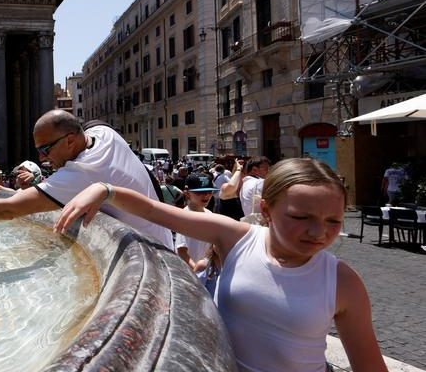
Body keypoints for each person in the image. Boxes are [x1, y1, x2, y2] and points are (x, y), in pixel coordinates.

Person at [54, 158, 387, 372]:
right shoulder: (237, 237)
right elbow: (156, 212)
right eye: (301, 218)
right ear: (267, 210)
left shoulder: (342, 281)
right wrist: (103, 189)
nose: (319, 232)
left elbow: (369, 366)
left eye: (333, 220)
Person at [0, 110, 172, 249]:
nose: (43, 158)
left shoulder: (79, 173)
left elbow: (10, 209)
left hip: (152, 252)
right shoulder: (105, 134)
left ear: (69, 140)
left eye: (45, 149)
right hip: (161, 237)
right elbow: (90, 125)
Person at [174, 174, 217, 271]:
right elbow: (181, 251)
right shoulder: (184, 216)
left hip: (206, 270)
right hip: (191, 272)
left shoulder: (209, 213)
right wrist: (196, 271)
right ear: (187, 193)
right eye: (199, 192)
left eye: (209, 191)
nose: (206, 195)